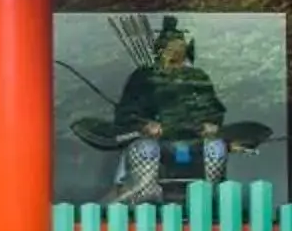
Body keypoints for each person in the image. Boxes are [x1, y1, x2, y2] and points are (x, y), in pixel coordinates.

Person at [70, 19, 230, 204]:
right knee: (146, 150)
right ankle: (140, 195)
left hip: (193, 141)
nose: (175, 56)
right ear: (160, 51)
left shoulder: (198, 77)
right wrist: (145, 124)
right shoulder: (143, 77)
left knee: (216, 148)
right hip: (156, 140)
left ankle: (212, 196)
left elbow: (213, 109)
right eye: (170, 50)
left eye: (179, 50)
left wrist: (211, 124)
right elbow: (126, 112)